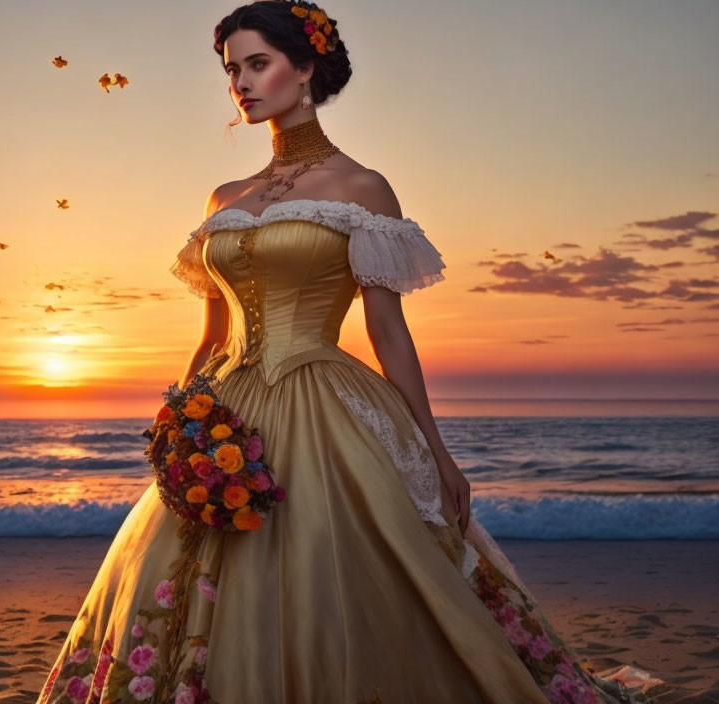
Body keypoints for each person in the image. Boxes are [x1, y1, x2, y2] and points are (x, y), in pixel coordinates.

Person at [36, 2, 661, 702]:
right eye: (231, 69)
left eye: (257, 64)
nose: (240, 83)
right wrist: (176, 425)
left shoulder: (363, 189)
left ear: (304, 69)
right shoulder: (224, 195)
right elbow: (211, 337)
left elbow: (388, 330)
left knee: (340, 574)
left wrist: (437, 449)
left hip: (325, 406)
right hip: (221, 413)